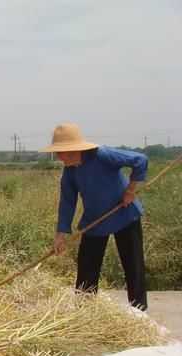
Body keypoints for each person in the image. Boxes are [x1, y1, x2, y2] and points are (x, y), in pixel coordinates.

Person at [40, 123, 149, 311]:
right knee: (87, 266)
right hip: (95, 221)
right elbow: (67, 201)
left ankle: (139, 310)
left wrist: (130, 190)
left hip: (123, 212)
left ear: (73, 150)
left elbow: (140, 159)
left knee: (133, 264)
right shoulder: (70, 170)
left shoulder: (102, 155)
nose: (58, 157)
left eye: (60, 152)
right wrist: (60, 235)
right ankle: (85, 309)